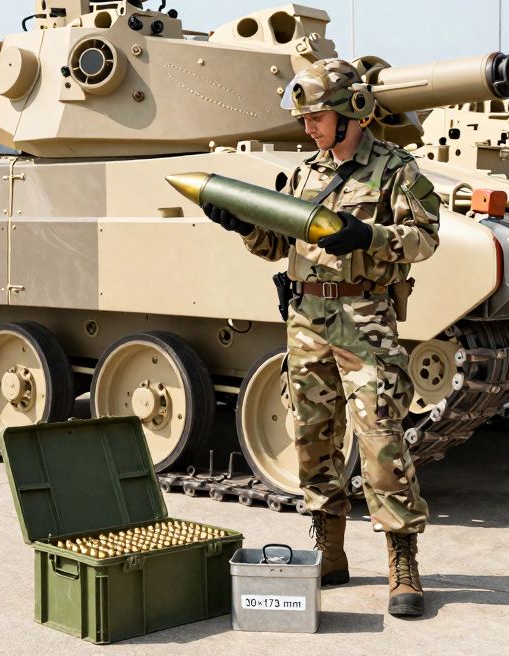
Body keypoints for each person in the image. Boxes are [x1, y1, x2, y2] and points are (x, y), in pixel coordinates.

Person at [203, 58, 440, 618]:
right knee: (311, 438)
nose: (308, 126)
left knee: (381, 442)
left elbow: (426, 239)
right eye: (305, 117)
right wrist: (244, 227)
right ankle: (329, 551)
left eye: (317, 116)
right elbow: (277, 245)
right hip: (306, 317)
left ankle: (402, 565)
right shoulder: (305, 173)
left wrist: (370, 235)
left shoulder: (395, 170)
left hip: (366, 320)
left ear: (351, 112)